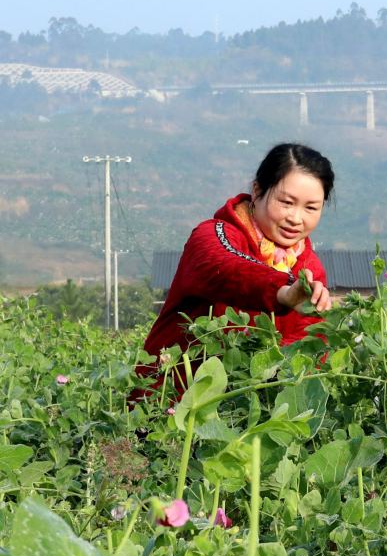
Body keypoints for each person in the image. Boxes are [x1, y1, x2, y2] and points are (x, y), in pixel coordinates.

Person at [134, 143, 336, 397]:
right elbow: (227, 268)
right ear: (257, 190)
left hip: (245, 413)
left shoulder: (310, 268)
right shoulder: (211, 235)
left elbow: (310, 349)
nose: (296, 218)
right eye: (286, 202)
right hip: (167, 404)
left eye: (310, 208)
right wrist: (282, 292)